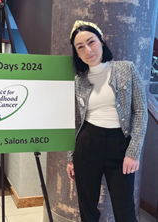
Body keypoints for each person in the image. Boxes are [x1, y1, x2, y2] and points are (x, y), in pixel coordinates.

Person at [66, 20, 148, 222]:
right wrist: (70, 157)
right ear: (77, 54)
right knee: (88, 210)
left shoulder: (126, 69)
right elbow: (75, 121)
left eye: (91, 42)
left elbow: (140, 111)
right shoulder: (79, 81)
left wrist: (133, 151)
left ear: (102, 41)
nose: (88, 50)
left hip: (119, 145)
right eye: (80, 47)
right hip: (87, 144)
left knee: (125, 211)